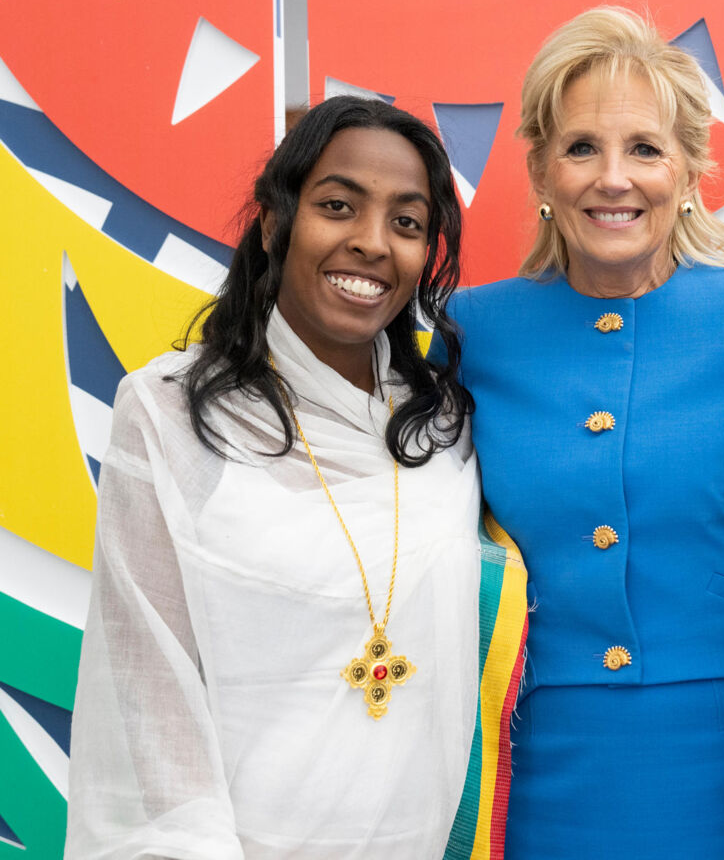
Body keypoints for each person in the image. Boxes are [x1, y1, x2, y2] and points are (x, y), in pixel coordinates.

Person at [66, 96, 525, 859]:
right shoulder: (169, 416)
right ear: (277, 222)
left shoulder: (444, 429)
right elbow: (149, 697)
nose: (373, 244)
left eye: (407, 223)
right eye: (339, 206)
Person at [438, 6, 724, 857]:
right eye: (582, 148)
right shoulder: (468, 332)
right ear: (540, 170)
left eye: (645, 149)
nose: (613, 177)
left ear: (690, 170)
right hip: (528, 768)